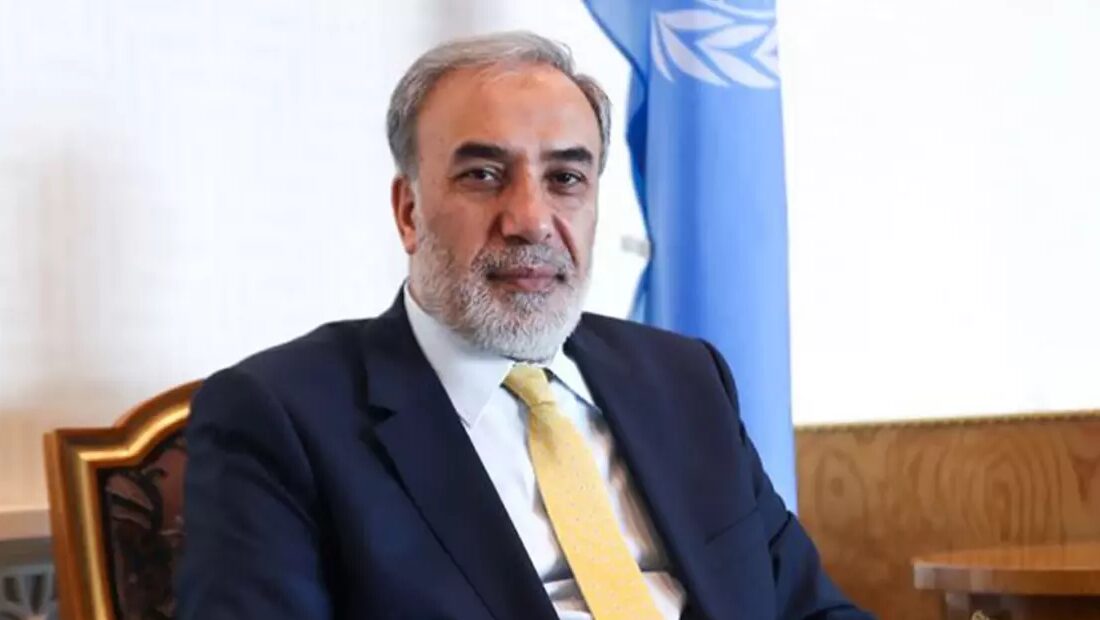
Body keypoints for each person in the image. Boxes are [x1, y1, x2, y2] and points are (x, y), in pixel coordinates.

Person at [178, 31, 871, 620]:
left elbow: (808, 608)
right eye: (483, 175)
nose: (532, 221)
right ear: (409, 212)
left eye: (566, 179)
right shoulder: (281, 416)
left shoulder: (685, 378)